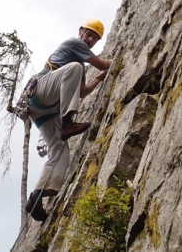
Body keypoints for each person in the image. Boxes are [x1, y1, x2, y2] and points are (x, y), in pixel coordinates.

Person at [24, 19, 112, 221]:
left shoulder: (78, 64)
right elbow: (101, 63)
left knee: (60, 150)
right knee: (74, 68)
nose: (90, 40)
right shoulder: (73, 44)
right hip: (41, 92)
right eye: (89, 34)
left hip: (42, 110)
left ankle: (36, 198)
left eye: (95, 39)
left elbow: (82, 92)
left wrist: (99, 78)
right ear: (80, 31)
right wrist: (119, 61)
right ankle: (67, 123)